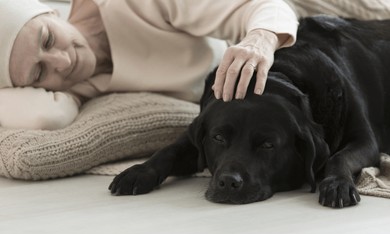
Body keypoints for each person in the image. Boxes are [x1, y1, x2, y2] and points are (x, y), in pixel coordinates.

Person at [0, 0, 298, 130]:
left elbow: (263, 7)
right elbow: (44, 118)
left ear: (52, 12)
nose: (63, 62)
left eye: (49, 39)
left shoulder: (134, 4)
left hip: (276, 37)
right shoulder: (72, 88)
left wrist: (260, 38)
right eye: (39, 72)